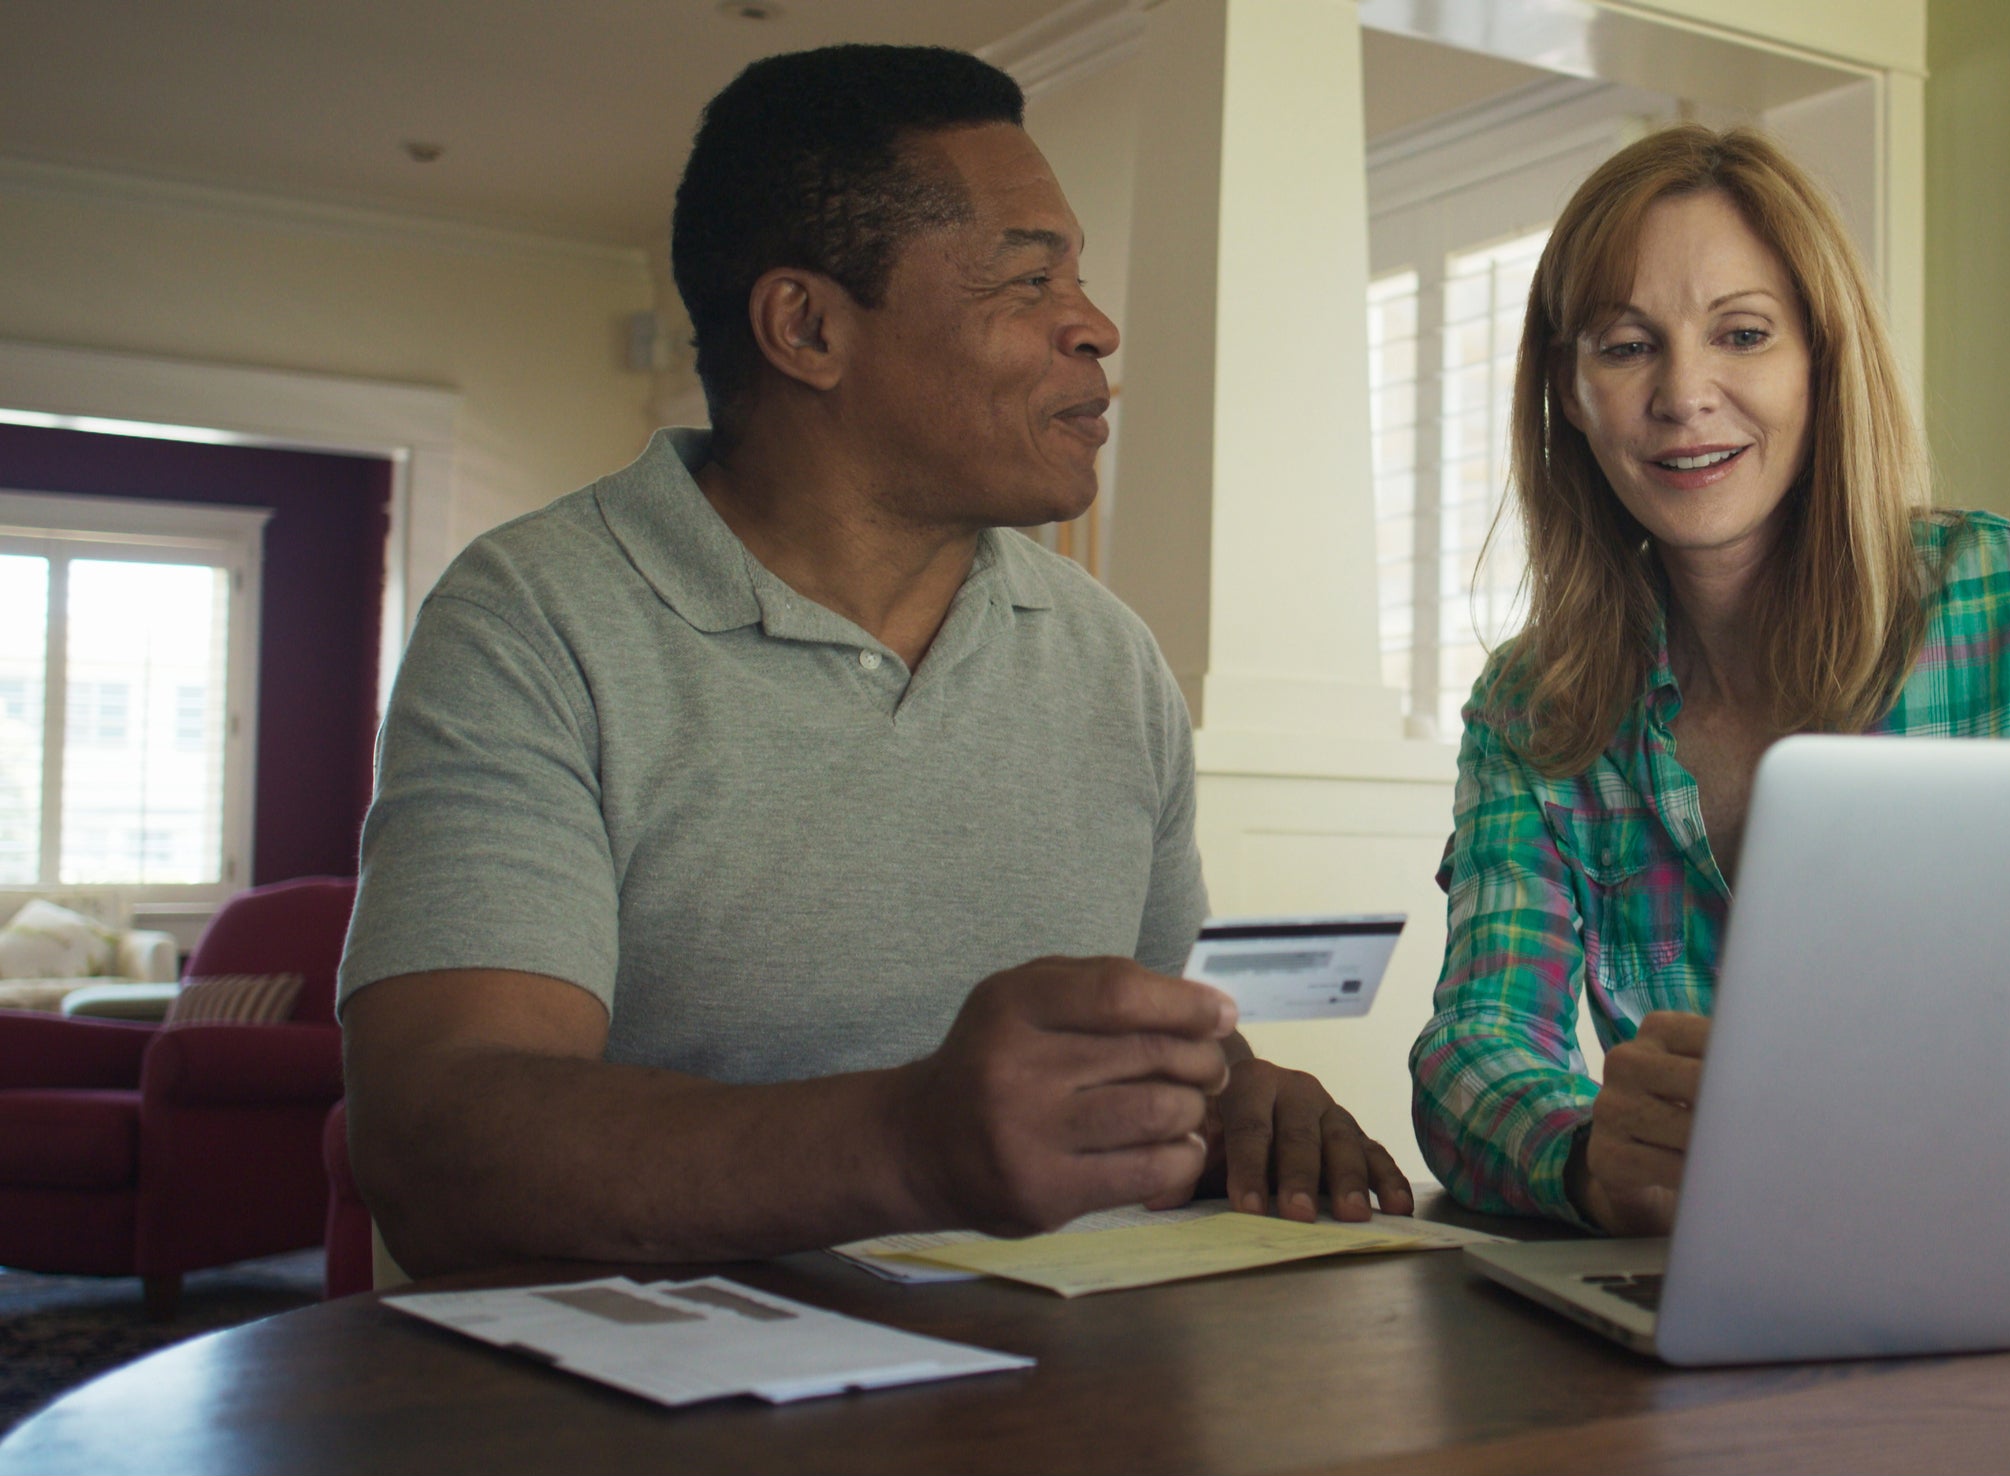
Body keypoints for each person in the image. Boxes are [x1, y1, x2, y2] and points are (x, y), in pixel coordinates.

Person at [341, 44, 1409, 1279]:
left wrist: (1244, 1097)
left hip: (1080, 1387)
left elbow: (1140, 1069)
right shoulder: (532, 619)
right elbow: (437, 1147)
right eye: (1029, 278)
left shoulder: (1106, 654)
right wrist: (913, 1142)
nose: (1097, 325)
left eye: (1080, 273)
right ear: (806, 327)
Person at [1408, 126, 2010, 1236]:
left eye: (1743, 334)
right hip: (1701, 1282)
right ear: (1567, 391)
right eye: (1624, 347)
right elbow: (1477, 1041)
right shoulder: (1533, 705)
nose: (1683, 394)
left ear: (1821, 361)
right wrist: (1584, 1156)